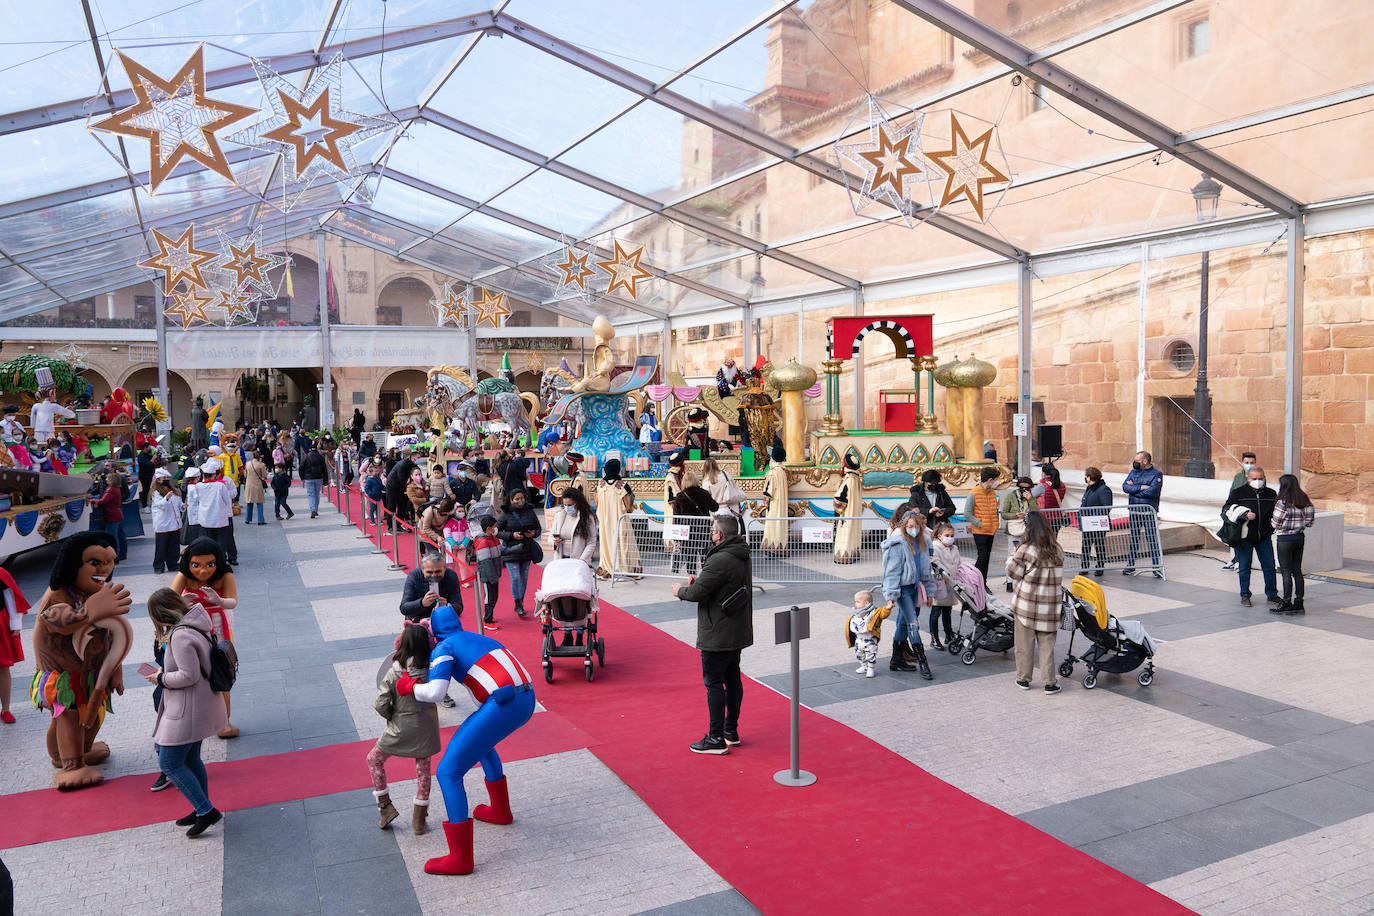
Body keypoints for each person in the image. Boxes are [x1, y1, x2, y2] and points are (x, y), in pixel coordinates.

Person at [398, 604, 536, 876]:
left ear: (434, 633)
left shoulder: (444, 647)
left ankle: (460, 858)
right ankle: (500, 810)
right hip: (526, 698)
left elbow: (437, 693)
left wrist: (410, 687)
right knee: (482, 746)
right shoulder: (478, 636)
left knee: (448, 771)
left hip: (503, 703)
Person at [144, 589, 226, 836]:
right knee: (191, 759)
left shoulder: (180, 636)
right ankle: (201, 807)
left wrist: (160, 677)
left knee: (168, 762)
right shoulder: (195, 624)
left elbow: (187, 675)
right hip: (200, 705)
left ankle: (205, 810)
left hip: (188, 709)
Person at [672, 515, 753, 755]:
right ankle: (730, 730)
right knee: (733, 678)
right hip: (735, 626)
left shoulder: (720, 558)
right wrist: (700, 582)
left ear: (720, 535)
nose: (710, 532)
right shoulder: (741, 553)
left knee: (714, 682)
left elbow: (697, 592)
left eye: (713, 530)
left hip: (718, 629)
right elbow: (719, 585)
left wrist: (681, 591)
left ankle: (715, 736)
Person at [369, 623, 441, 835]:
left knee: (374, 759)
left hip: (400, 727)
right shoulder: (432, 672)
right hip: (426, 728)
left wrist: (392, 717)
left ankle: (385, 807)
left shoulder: (394, 673)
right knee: (423, 771)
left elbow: (380, 703)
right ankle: (419, 819)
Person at [171, 537, 238, 738]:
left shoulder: (225, 575)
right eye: (196, 565)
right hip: (191, 628)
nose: (203, 571)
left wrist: (219, 600)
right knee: (193, 673)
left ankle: (224, 722)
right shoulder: (183, 576)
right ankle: (196, 721)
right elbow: (166, 600)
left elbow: (233, 601)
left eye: (209, 564)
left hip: (219, 627)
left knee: (222, 672)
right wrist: (180, 602)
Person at [1006, 511, 1065, 694]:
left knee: (1024, 645)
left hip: (1027, 605)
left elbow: (1013, 572)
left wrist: (1011, 556)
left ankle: (1023, 679)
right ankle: (1050, 682)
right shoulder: (1057, 549)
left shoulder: (1026, 549)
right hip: (1050, 606)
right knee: (1047, 646)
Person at [880, 509, 934, 679]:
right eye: (910, 526)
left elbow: (926, 570)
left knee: (903, 624)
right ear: (904, 526)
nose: (914, 528)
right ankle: (923, 661)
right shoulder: (898, 544)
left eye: (916, 525)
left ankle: (896, 660)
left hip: (915, 588)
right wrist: (890, 595)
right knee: (913, 623)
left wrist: (930, 591)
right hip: (903, 590)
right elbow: (892, 571)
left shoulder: (922, 542)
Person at [1223, 466, 1279, 608]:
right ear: (1248, 479)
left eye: (1261, 478)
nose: (1258, 481)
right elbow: (1226, 511)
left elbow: (1276, 512)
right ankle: (1245, 595)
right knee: (1244, 567)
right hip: (1245, 537)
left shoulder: (1271, 494)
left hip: (1264, 536)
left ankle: (1272, 595)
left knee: (1269, 566)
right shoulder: (1238, 493)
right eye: (1254, 479)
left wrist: (1271, 527)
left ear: (1264, 478)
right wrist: (1243, 515)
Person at [1272, 474, 1316, 615]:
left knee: (1286, 571)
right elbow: (1310, 521)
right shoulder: (1304, 499)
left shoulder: (1282, 502)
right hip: (1299, 537)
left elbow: (1276, 522)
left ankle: (1286, 602)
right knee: (1297, 570)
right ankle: (1299, 602)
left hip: (1285, 539)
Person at [497, 488, 541, 617]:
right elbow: (497, 532)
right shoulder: (505, 514)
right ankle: (517, 603)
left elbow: (538, 528)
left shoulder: (530, 511)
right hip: (511, 549)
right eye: (517, 499)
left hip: (526, 548)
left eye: (522, 498)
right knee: (515, 577)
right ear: (511, 500)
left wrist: (533, 533)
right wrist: (512, 535)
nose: (520, 501)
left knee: (524, 577)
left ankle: (521, 600)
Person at [1121, 450, 1164, 578]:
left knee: (1151, 538)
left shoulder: (1156, 474)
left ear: (1145, 461)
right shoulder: (1133, 472)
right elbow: (1125, 487)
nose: (1134, 463)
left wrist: (1134, 489)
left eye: (1137, 461)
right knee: (1134, 538)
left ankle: (1156, 567)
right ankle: (1130, 565)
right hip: (1134, 510)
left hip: (1148, 511)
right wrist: (1140, 487)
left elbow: (1152, 492)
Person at [595, 458, 640, 578]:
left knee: (607, 545)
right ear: (618, 470)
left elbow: (597, 505)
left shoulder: (600, 486)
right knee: (622, 545)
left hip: (605, 523)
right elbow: (629, 508)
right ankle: (623, 569)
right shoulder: (623, 486)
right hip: (620, 522)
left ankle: (608, 568)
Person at [671, 471, 719, 576]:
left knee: (689, 554)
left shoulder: (680, 496)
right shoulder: (704, 493)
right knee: (705, 553)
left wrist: (676, 536)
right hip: (703, 528)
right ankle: (707, 575)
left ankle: (692, 576)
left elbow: (676, 518)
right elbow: (715, 507)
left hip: (687, 531)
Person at [0, 568, 30, 725]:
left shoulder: (0, 573)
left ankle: (5, 709)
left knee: (3, 667)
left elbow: (10, 597)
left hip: (0, 623)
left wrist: (15, 623)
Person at [400, 552, 465, 625]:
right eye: (429, 572)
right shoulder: (414, 576)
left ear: (444, 568)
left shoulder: (451, 575)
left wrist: (447, 605)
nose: (433, 575)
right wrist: (422, 603)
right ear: (422, 569)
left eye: (438, 571)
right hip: (418, 622)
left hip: (443, 620)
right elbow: (404, 608)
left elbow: (459, 607)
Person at [999, 476, 1038, 591]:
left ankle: (1024, 580)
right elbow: (1004, 514)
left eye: (1028, 489)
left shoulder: (1031, 497)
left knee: (1028, 555)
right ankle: (1010, 581)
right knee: (1013, 554)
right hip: (1014, 530)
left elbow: (1037, 512)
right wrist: (1016, 515)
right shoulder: (1010, 496)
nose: (1025, 491)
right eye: (1022, 489)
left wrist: (1030, 499)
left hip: (1028, 530)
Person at [963, 467, 1001, 585]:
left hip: (991, 530)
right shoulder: (973, 493)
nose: (996, 482)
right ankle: (974, 580)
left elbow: (994, 510)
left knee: (987, 558)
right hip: (979, 531)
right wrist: (980, 523)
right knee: (982, 557)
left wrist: (995, 524)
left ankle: (983, 582)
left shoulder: (993, 492)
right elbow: (967, 513)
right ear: (990, 480)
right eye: (995, 480)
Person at [928, 521, 962, 650]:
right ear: (939, 536)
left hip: (951, 583)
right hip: (940, 582)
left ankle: (949, 634)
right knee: (936, 611)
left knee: (947, 610)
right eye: (947, 535)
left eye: (952, 535)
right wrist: (944, 575)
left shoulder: (954, 548)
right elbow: (935, 562)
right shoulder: (935, 547)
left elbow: (959, 563)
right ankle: (934, 637)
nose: (950, 538)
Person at [1223, 452, 1258, 569]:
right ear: (1242, 463)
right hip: (1237, 511)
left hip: (1249, 512)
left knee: (1245, 537)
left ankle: (1241, 561)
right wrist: (1229, 508)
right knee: (1234, 535)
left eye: (1252, 463)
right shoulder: (1238, 477)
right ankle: (1235, 558)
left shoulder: (1257, 477)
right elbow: (1232, 493)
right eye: (1247, 463)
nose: (1249, 465)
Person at [846, 589, 890, 679]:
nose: (855, 604)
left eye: (858, 602)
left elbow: (882, 614)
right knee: (859, 653)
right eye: (855, 602)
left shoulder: (874, 612)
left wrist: (888, 608)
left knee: (870, 654)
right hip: (859, 639)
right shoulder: (856, 614)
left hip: (870, 639)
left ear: (866, 603)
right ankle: (864, 666)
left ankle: (870, 668)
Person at [1078, 466, 1114, 577]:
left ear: (1089, 477)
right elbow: (1084, 503)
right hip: (1087, 523)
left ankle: (1100, 566)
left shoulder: (1104, 489)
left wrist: (1091, 514)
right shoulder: (1089, 488)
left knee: (1099, 545)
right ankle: (1084, 566)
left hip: (1097, 523)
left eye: (1086, 476)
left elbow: (1107, 506)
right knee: (1086, 545)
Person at [550, 486, 597, 566]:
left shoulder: (587, 518)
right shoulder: (559, 516)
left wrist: (582, 559)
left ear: (577, 503)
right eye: (565, 505)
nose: (567, 508)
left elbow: (591, 541)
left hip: (579, 560)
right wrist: (554, 542)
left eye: (570, 505)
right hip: (561, 559)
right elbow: (551, 536)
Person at [473, 517, 504, 632]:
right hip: (488, 575)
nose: (496, 529)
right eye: (494, 526)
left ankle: (489, 616)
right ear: (489, 528)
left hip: (494, 574)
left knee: (494, 596)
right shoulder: (483, 541)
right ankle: (487, 619)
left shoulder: (493, 539)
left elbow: (501, 551)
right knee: (489, 598)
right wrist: (492, 577)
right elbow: (485, 562)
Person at [832, 453, 863, 564]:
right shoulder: (856, 479)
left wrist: (836, 506)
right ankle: (852, 554)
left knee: (845, 533)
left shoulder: (848, 480)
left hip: (846, 515)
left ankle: (844, 555)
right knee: (852, 532)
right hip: (854, 514)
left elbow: (840, 499)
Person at [760, 443, 790, 555]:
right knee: (780, 525)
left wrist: (766, 502)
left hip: (774, 504)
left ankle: (772, 548)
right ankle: (779, 547)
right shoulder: (782, 472)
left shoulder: (772, 473)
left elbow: (769, 491)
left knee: (772, 524)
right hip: (781, 504)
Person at [150, 471, 183, 574]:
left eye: (167, 477)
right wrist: (166, 498)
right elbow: (160, 505)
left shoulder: (173, 490)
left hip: (174, 523)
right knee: (161, 546)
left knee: (173, 545)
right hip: (163, 523)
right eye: (163, 477)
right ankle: (158, 566)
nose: (166, 479)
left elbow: (178, 503)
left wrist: (182, 506)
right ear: (158, 479)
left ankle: (172, 564)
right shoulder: (156, 492)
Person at [95, 471, 128, 562]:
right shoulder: (116, 489)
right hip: (117, 514)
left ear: (111, 480)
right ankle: (123, 553)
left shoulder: (110, 489)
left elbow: (103, 501)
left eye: (107, 478)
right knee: (121, 535)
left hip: (112, 515)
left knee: (112, 537)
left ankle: (114, 556)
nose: (106, 480)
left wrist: (93, 501)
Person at [299, 441, 328, 518]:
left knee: (311, 494)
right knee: (316, 494)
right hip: (318, 477)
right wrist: (325, 480)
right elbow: (325, 469)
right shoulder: (320, 457)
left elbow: (301, 467)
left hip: (308, 478)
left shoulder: (306, 456)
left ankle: (313, 510)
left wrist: (302, 477)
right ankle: (316, 510)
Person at [242, 449, 268, 526]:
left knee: (249, 502)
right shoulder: (261, 465)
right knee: (259, 502)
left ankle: (248, 519)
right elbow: (264, 476)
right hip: (257, 485)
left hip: (249, 484)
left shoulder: (247, 464)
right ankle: (260, 520)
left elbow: (246, 473)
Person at [1038, 463, 1066, 530]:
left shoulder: (1042, 486)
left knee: (1043, 539)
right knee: (1053, 538)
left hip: (1045, 518)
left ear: (1044, 474)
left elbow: (1031, 497)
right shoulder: (1062, 485)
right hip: (1057, 517)